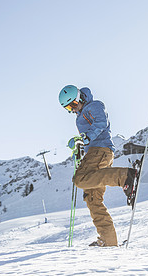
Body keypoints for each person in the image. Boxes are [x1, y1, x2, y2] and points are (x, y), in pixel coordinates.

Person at [59, 85, 137, 247]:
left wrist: (86, 138)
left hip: (100, 150)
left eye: (73, 105)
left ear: (80, 97)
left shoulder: (94, 106)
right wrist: (80, 148)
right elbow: (87, 135)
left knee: (80, 179)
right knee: (92, 199)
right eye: (68, 108)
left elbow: (101, 122)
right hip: (94, 152)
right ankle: (108, 241)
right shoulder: (79, 116)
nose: (72, 109)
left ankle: (124, 177)